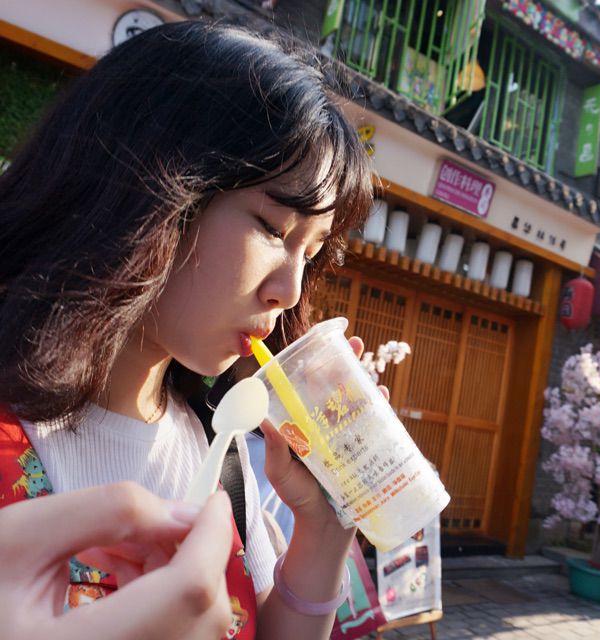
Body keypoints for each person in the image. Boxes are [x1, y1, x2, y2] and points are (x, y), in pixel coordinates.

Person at [0, 20, 374, 640]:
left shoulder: (219, 450)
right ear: (150, 188)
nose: (289, 292)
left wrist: (326, 524)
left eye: (310, 255)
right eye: (273, 229)